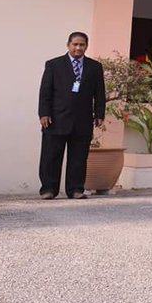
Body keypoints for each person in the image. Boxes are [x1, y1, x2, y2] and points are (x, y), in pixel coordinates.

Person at [37, 31, 106, 200]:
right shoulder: (54, 65)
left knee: (78, 158)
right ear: (68, 45)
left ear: (86, 46)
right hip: (55, 119)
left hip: (82, 120)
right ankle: (49, 189)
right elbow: (45, 91)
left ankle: (75, 189)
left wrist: (99, 113)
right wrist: (44, 113)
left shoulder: (94, 67)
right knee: (51, 156)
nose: (78, 47)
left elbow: (100, 92)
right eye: (75, 44)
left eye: (82, 44)